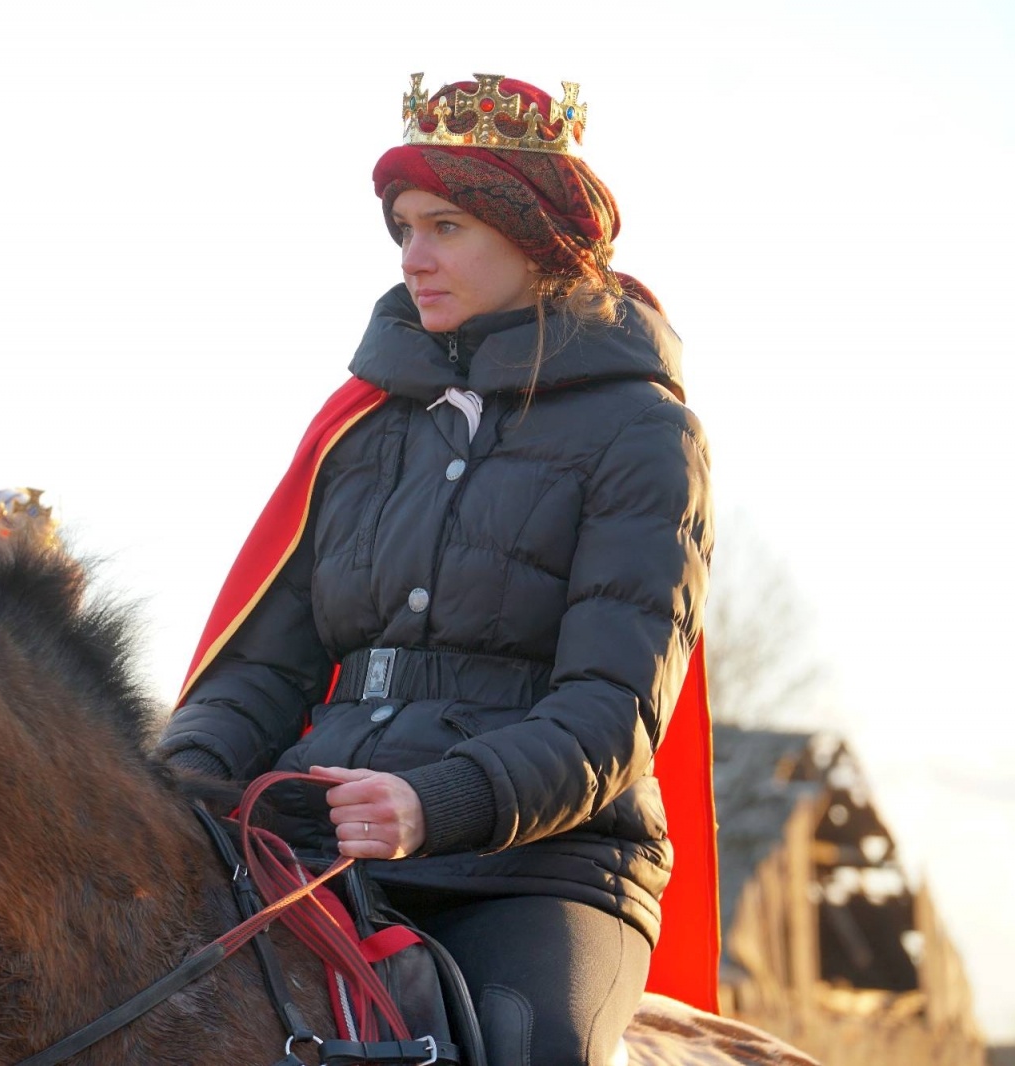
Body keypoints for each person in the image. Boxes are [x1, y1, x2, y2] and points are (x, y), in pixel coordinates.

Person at [157, 72, 715, 1066]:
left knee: (528, 1041)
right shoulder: (358, 430)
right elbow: (263, 670)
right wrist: (174, 779)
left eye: (445, 225)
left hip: (541, 864)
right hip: (311, 837)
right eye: (403, 227)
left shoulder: (645, 433)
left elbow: (610, 709)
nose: (413, 257)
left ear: (540, 238)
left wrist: (434, 803)